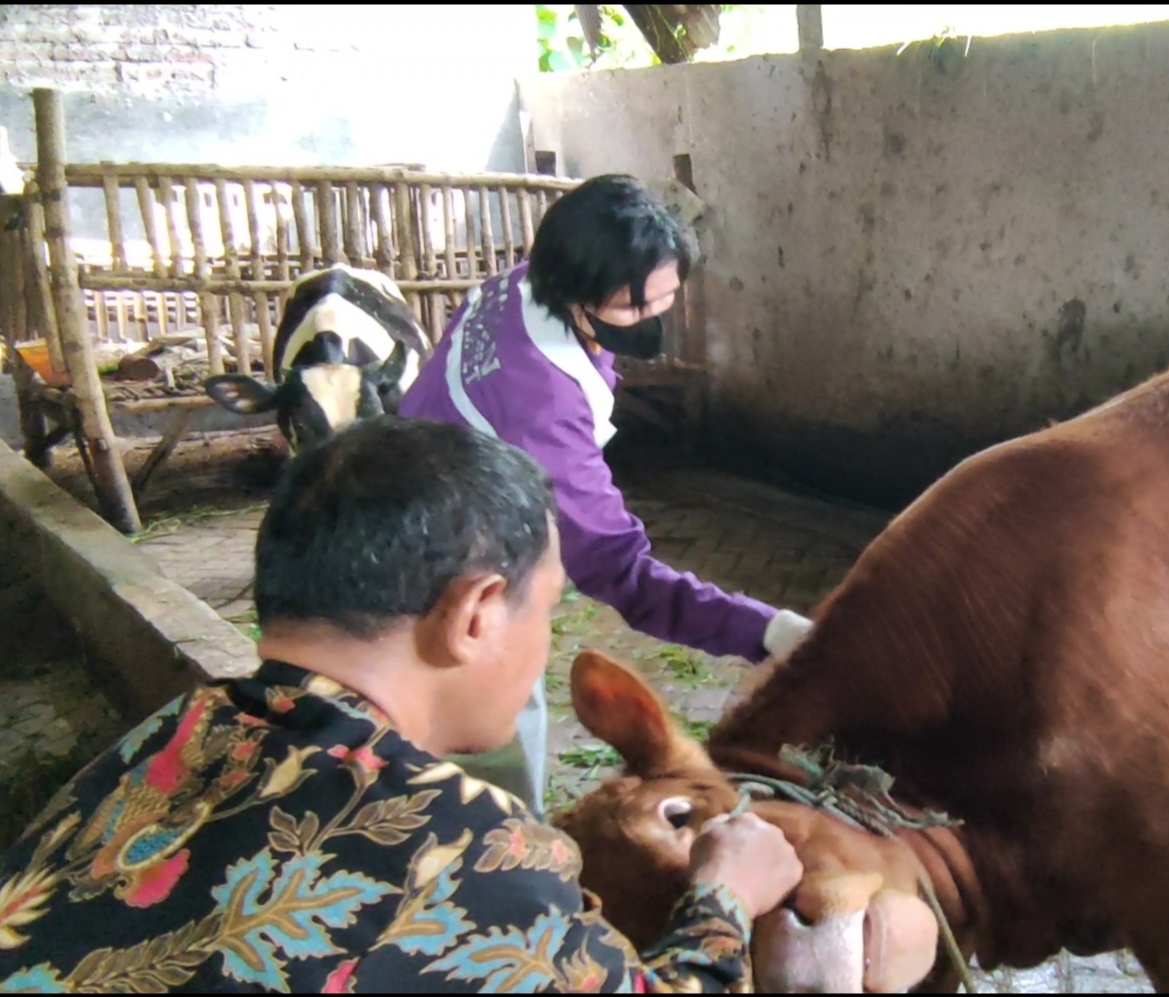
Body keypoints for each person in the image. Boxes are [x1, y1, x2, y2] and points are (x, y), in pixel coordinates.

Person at [0, 417, 803, 993]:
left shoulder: (156, 741)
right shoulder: (468, 851)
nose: (547, 639)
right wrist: (724, 900)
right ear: (478, 612)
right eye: (548, 607)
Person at [397, 175, 811, 817]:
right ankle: (510, 855)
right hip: (451, 554)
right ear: (573, 293)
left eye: (664, 300)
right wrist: (769, 630)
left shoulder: (516, 284)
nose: (652, 322)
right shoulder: (543, 408)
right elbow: (621, 572)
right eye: (630, 309)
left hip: (417, 479)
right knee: (499, 716)